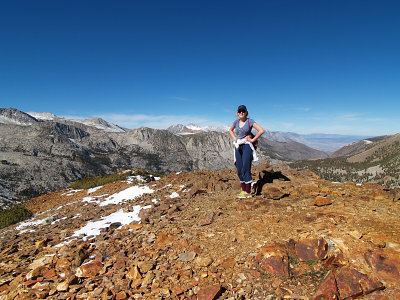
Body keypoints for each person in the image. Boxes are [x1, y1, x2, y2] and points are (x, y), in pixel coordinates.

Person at [229, 105, 265, 198]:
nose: (241, 112)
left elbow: (261, 130)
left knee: (246, 167)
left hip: (247, 146)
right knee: (239, 168)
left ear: (246, 112)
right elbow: (230, 130)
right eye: (240, 111)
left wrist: (252, 140)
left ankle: (247, 192)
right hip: (238, 146)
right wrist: (235, 139)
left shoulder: (250, 121)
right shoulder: (236, 122)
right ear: (237, 113)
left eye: (243, 111)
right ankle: (243, 190)